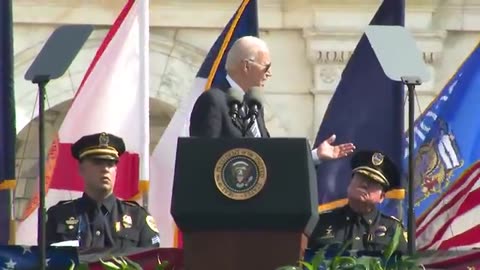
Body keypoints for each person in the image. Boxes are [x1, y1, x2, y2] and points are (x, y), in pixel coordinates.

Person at [189, 35, 355, 162]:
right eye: (266, 67)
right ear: (246, 66)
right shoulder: (213, 101)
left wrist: (315, 155)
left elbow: (268, 157)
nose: (269, 73)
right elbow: (204, 160)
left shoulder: (253, 106)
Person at [45, 132, 161, 249]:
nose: (105, 169)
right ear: (81, 169)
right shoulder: (59, 216)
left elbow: (151, 262)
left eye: (110, 164)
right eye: (97, 162)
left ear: (116, 170)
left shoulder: (138, 218)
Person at [308, 150, 408, 253]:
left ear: (381, 197)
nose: (364, 184)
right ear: (350, 182)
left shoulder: (392, 229)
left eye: (373, 181)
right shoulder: (322, 221)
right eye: (361, 177)